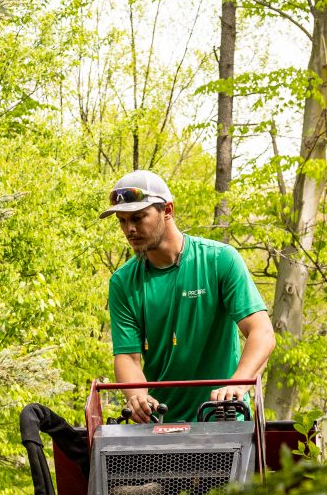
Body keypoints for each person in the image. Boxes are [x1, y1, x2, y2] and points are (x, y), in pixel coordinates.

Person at [101, 170, 276, 422]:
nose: (130, 229)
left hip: (221, 418)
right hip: (161, 425)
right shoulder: (123, 282)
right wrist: (138, 396)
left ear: (167, 210)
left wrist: (237, 386)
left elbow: (263, 333)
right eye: (122, 220)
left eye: (139, 217)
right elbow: (127, 356)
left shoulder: (219, 260)